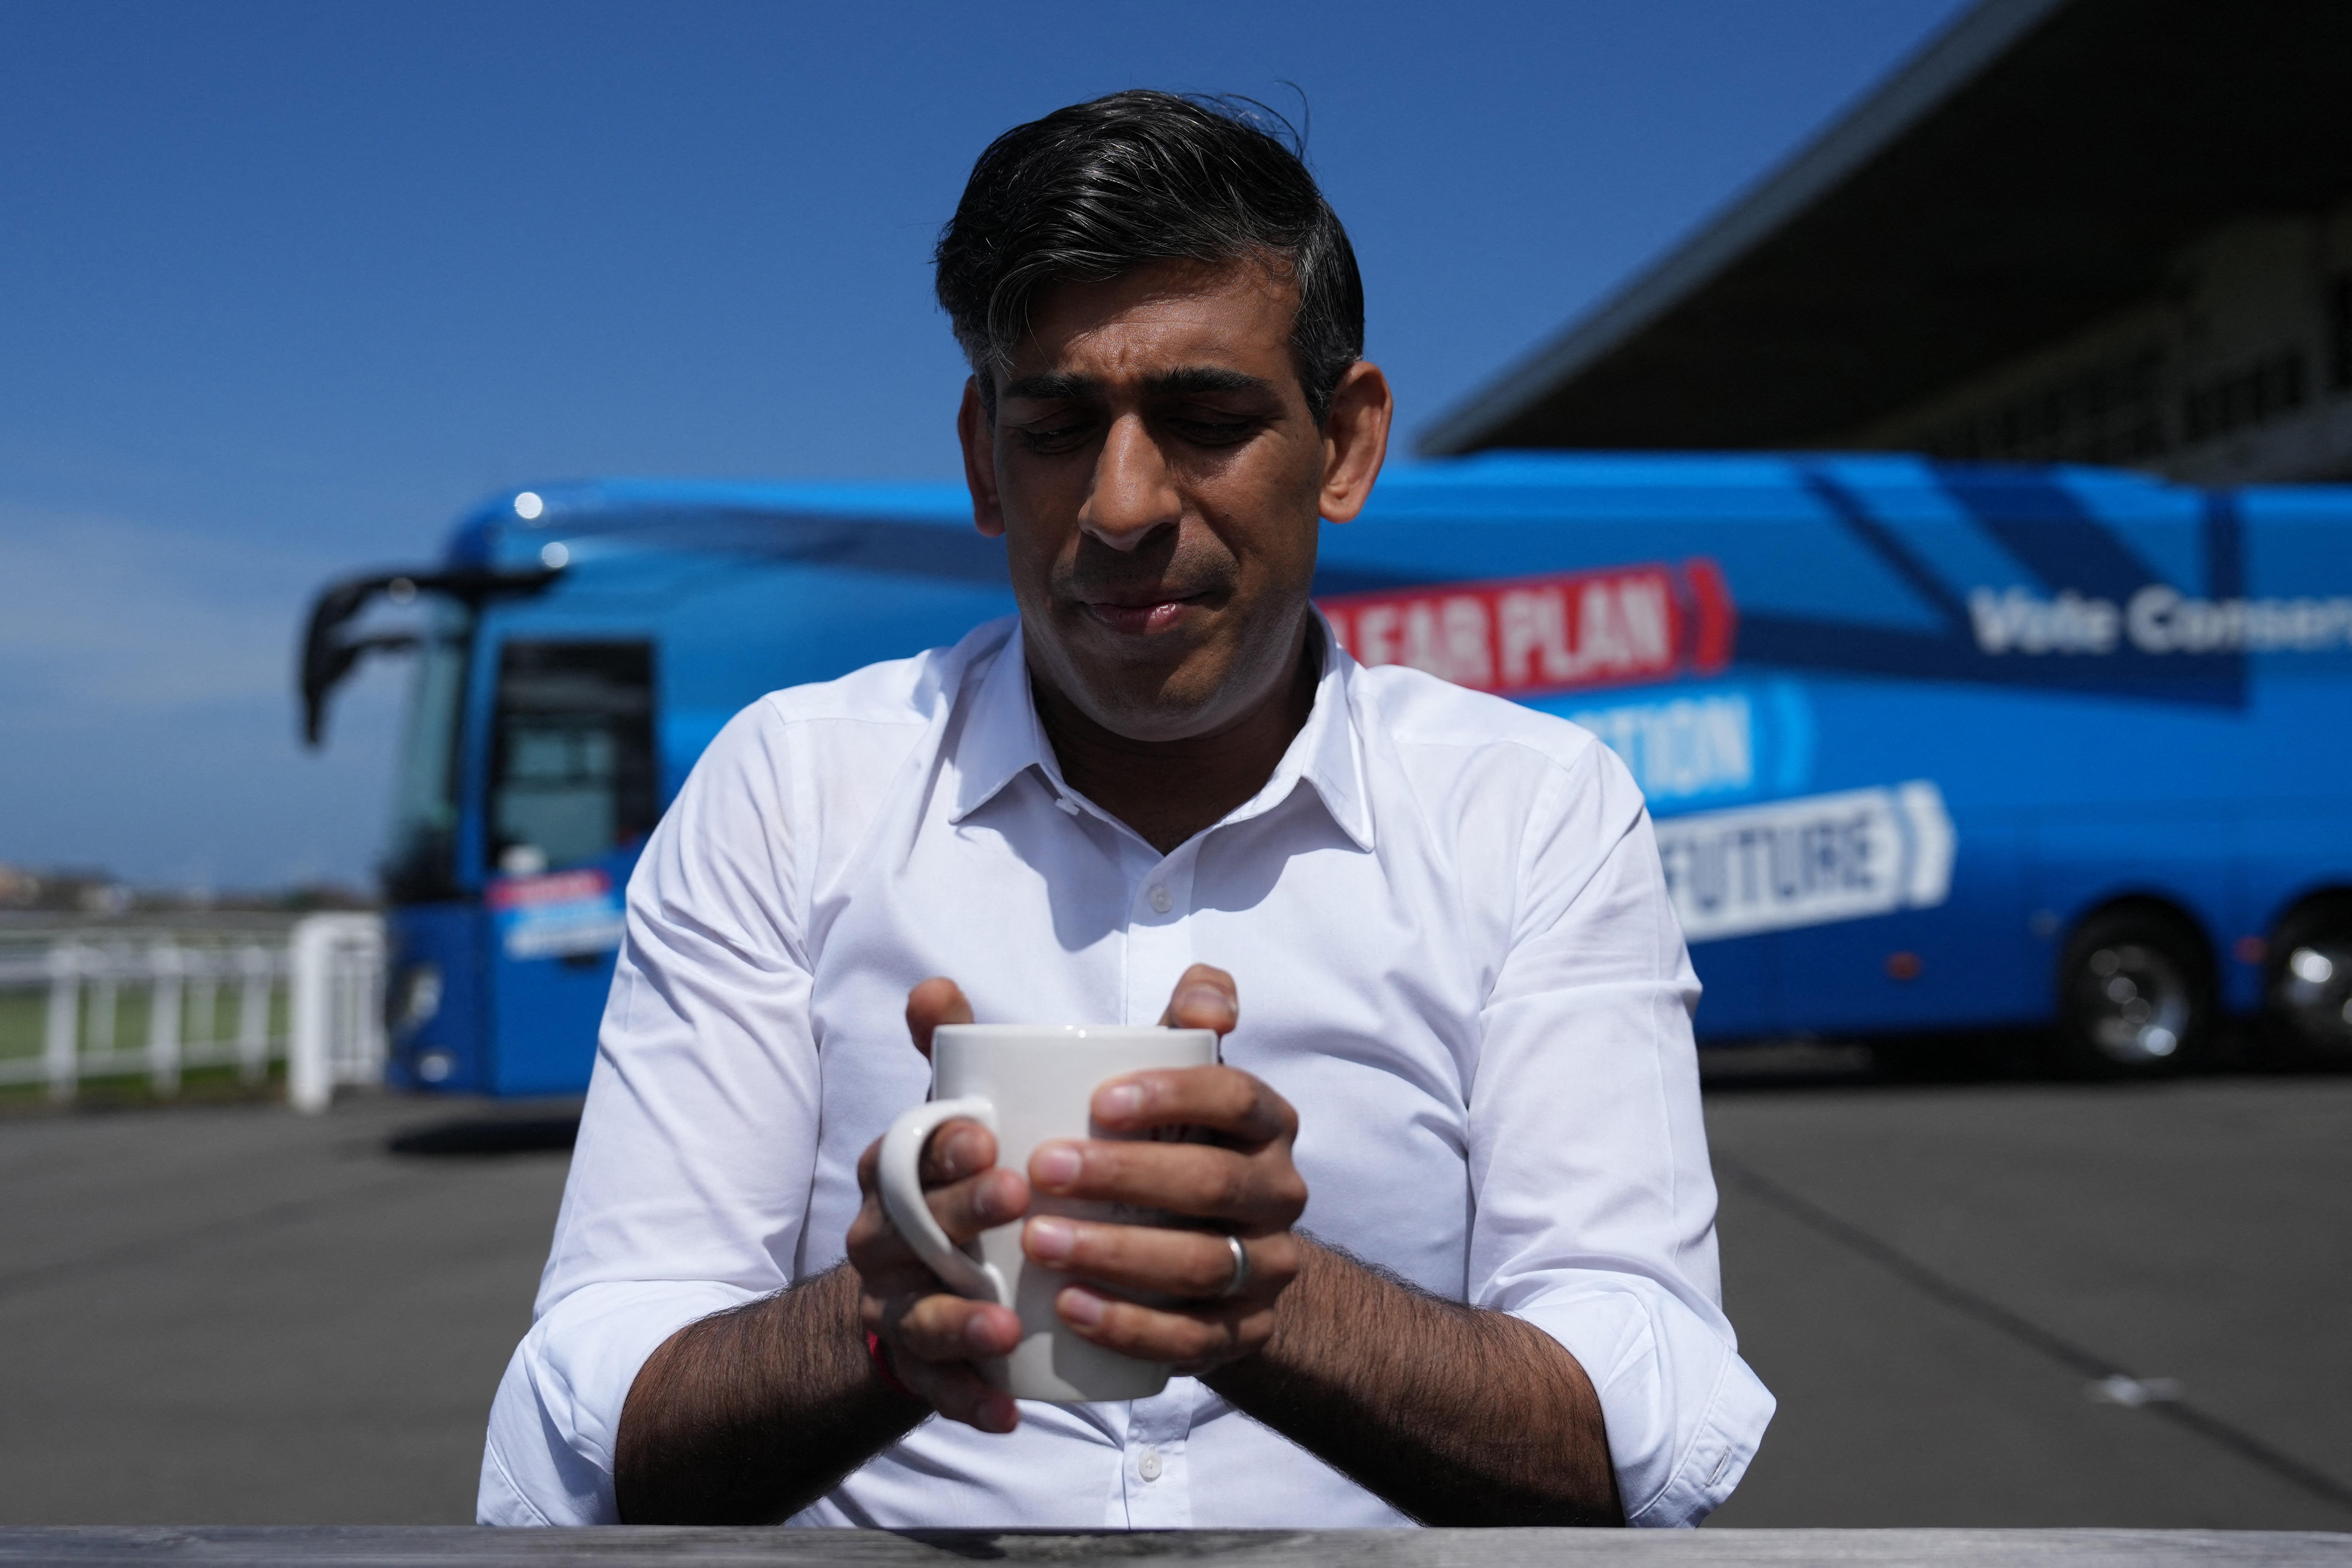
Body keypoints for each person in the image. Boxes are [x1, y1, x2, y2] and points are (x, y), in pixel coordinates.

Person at [478, 89, 1771, 1532]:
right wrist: (873, 1325)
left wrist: (1266, 1304)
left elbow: (1638, 1426)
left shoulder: (1530, 811)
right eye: (1055, 425)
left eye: (1207, 419)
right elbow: (588, 1427)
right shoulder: (789, 790)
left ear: (1345, 444)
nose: (1122, 503)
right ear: (981, 456)